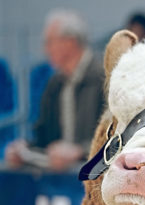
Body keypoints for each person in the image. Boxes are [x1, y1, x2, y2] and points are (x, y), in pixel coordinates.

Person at [5, 9, 104, 171]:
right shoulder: (54, 84)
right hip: (59, 179)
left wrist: (79, 151)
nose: (45, 50)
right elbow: (43, 136)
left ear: (69, 43)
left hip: (95, 177)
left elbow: (116, 136)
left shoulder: (104, 77)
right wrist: (24, 148)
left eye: (49, 42)